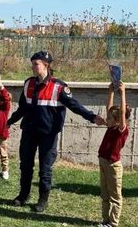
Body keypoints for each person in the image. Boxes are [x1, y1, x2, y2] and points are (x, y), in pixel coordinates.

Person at [7, 51, 105, 213]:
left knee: (45, 169)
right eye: (32, 64)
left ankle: (42, 200)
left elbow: (75, 105)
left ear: (46, 65)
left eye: (35, 64)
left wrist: (92, 117)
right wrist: (9, 122)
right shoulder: (28, 83)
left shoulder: (59, 86)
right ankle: (23, 195)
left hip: (48, 135)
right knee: (25, 166)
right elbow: (23, 108)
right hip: (29, 132)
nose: (32, 67)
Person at [97, 81, 130, 227]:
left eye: (110, 118)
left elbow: (122, 113)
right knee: (105, 194)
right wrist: (110, 91)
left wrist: (122, 93)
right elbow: (108, 108)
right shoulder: (111, 127)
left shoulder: (120, 129)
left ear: (117, 121)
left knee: (115, 196)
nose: (107, 119)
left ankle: (113, 223)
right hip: (103, 162)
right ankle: (105, 219)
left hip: (113, 165)